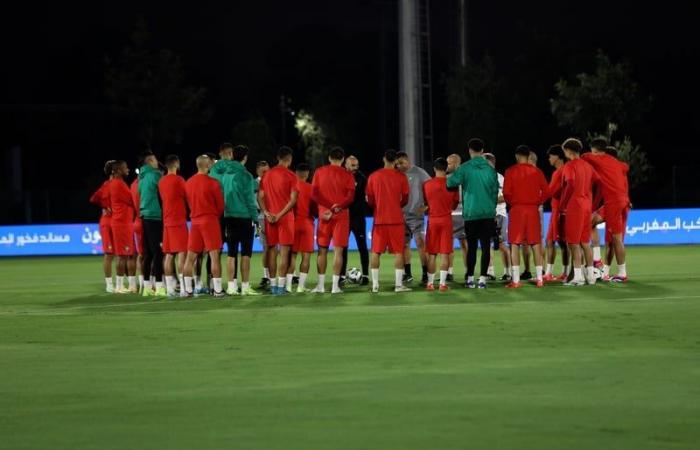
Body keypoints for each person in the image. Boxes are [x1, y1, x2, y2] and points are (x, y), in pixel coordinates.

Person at [446, 138, 499, 289]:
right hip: (488, 213)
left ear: (470, 151)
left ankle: (470, 278)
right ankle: (482, 279)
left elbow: (450, 183)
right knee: (486, 247)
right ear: (482, 151)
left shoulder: (465, 168)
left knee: (472, 247)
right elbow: (495, 192)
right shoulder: (490, 169)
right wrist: (491, 207)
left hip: (471, 214)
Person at [582, 139, 630, 282]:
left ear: (595, 151)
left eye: (593, 151)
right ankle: (599, 265)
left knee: (616, 239)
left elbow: (583, 156)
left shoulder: (596, 158)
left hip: (614, 203)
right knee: (590, 222)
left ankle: (622, 273)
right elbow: (625, 167)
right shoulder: (617, 163)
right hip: (620, 202)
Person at [503, 145, 550, 288]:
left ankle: (516, 280)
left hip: (517, 210)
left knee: (515, 244)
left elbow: (506, 193)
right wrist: (537, 203)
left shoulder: (510, 171)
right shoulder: (537, 171)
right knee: (535, 243)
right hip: (532, 210)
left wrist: (514, 203)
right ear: (528, 156)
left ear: (517, 156)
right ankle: (540, 279)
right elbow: (547, 192)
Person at [311, 147, 356, 294]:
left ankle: (321, 286)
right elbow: (350, 197)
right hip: (341, 216)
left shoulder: (319, 172)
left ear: (329, 158)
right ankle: (335, 286)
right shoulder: (348, 174)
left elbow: (314, 195)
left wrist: (329, 207)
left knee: (322, 251)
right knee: (338, 252)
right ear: (343, 159)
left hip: (325, 215)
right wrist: (338, 206)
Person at [365, 149, 411, 293]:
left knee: (375, 252)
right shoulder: (401, 177)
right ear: (396, 161)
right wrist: (396, 206)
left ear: (384, 159)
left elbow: (370, 199)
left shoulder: (373, 176)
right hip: (396, 219)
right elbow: (405, 199)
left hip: (379, 219)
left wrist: (377, 207)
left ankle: (375, 285)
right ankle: (398, 285)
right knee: (398, 252)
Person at [182, 155, 225, 297]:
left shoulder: (188, 182)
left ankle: (187, 290)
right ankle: (218, 290)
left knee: (190, 258)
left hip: (195, 222)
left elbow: (188, 203)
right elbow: (220, 206)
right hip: (210, 220)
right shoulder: (213, 183)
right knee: (214, 256)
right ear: (207, 166)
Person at [221, 145, 261, 296]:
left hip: (229, 217)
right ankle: (244, 287)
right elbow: (250, 201)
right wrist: (256, 220)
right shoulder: (245, 175)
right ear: (245, 158)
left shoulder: (225, 175)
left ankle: (231, 287)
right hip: (244, 218)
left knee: (231, 253)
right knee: (245, 254)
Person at [258, 146, 298, 295]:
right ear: (289, 159)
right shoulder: (291, 175)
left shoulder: (267, 175)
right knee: (284, 252)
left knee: (272, 251)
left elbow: (260, 196)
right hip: (285, 218)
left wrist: (267, 213)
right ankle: (281, 287)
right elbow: (293, 200)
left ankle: (273, 285)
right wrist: (280, 215)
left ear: (277, 158)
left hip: (270, 219)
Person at [559, 138, 600, 286]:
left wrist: (563, 204)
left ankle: (577, 278)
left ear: (568, 151)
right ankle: (590, 276)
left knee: (574, 243)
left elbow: (569, 184)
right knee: (585, 242)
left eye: (564, 150)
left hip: (574, 206)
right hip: (586, 206)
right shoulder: (587, 166)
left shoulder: (569, 166)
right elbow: (599, 182)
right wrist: (594, 203)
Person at [423, 157, 460, 291]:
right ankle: (443, 284)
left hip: (433, 220)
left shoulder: (427, 184)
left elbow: (426, 202)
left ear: (434, 168)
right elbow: (455, 205)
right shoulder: (452, 185)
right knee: (445, 253)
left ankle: (430, 284)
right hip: (446, 220)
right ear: (446, 169)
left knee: (432, 253)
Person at [395, 152, 431, 284]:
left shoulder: (420, 173)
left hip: (416, 216)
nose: (399, 166)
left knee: (421, 244)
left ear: (407, 160)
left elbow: (431, 189)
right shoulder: (396, 174)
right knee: (404, 245)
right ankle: (407, 274)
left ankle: (425, 273)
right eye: (397, 163)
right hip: (401, 215)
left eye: (401, 163)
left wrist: (427, 206)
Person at [158, 154, 188, 297]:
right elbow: (187, 196)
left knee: (169, 255)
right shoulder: (179, 180)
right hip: (178, 221)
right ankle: (183, 288)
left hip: (167, 221)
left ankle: (169, 289)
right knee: (182, 253)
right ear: (176, 164)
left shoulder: (161, 181)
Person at [138, 152, 165, 296]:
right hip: (155, 216)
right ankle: (160, 286)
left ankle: (147, 288)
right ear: (149, 162)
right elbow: (164, 192)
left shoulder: (141, 177)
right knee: (158, 252)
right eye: (155, 159)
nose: (157, 161)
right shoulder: (155, 175)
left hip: (145, 216)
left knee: (147, 253)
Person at [108, 161, 138, 293]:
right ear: (119, 170)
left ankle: (131, 285)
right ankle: (119, 286)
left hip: (125, 223)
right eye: (125, 168)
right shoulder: (118, 184)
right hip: (121, 224)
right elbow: (132, 200)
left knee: (131, 254)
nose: (128, 169)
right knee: (122, 256)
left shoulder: (118, 183)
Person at [340, 155, 370, 285]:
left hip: (358, 218)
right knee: (342, 248)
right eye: (352, 165)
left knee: (362, 247)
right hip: (344, 218)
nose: (355, 168)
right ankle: (341, 276)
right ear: (345, 165)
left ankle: (365, 275)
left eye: (357, 165)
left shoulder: (362, 178)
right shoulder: (339, 176)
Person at [287, 163, 316, 293]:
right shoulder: (311, 188)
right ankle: (301, 286)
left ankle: (287, 286)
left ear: (295, 173)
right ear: (307, 174)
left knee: (291, 256)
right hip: (307, 224)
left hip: (292, 224)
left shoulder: (290, 187)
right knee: (306, 257)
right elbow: (315, 209)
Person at [543, 145, 570, 281]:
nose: (549, 159)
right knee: (563, 243)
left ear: (557, 156)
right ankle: (565, 272)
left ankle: (549, 272)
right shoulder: (567, 170)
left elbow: (551, 192)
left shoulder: (559, 172)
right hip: (564, 210)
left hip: (558, 210)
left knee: (550, 241)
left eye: (550, 156)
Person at [483, 153, 511, 281]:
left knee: (501, 244)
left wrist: (489, 200)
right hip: (486, 215)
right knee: (486, 244)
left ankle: (508, 272)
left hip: (499, 214)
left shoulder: (500, 178)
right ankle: (490, 272)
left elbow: (506, 197)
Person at [90, 160, 116, 292]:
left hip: (117, 222)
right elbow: (94, 198)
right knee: (109, 254)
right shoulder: (106, 185)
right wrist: (105, 207)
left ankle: (122, 283)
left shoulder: (118, 184)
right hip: (108, 222)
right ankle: (109, 284)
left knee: (121, 254)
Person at [446, 153, 468, 282]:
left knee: (464, 244)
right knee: (449, 246)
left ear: (456, 164)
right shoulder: (447, 178)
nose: (447, 165)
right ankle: (449, 272)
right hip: (452, 215)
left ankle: (467, 272)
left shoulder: (463, 178)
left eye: (449, 163)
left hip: (462, 215)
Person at [254, 160, 271, 288]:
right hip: (262, 217)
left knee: (281, 247)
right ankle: (266, 276)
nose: (265, 173)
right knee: (266, 247)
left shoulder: (272, 181)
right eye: (263, 171)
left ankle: (286, 275)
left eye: (267, 170)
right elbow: (256, 202)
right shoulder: (255, 183)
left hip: (276, 216)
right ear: (258, 171)